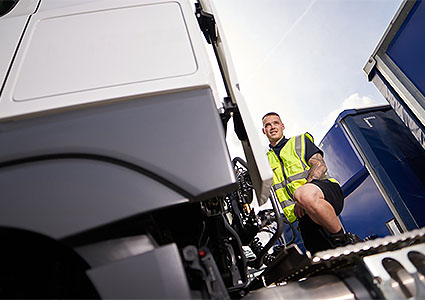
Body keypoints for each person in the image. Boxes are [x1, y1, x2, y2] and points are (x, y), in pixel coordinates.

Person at [262, 112, 358, 253]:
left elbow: (320, 166)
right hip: (302, 216)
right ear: (264, 131)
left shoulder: (299, 141)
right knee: (322, 258)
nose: (272, 127)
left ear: (282, 126)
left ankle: (345, 239)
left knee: (304, 195)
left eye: (276, 123)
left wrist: (302, 198)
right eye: (268, 125)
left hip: (323, 193)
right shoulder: (265, 161)